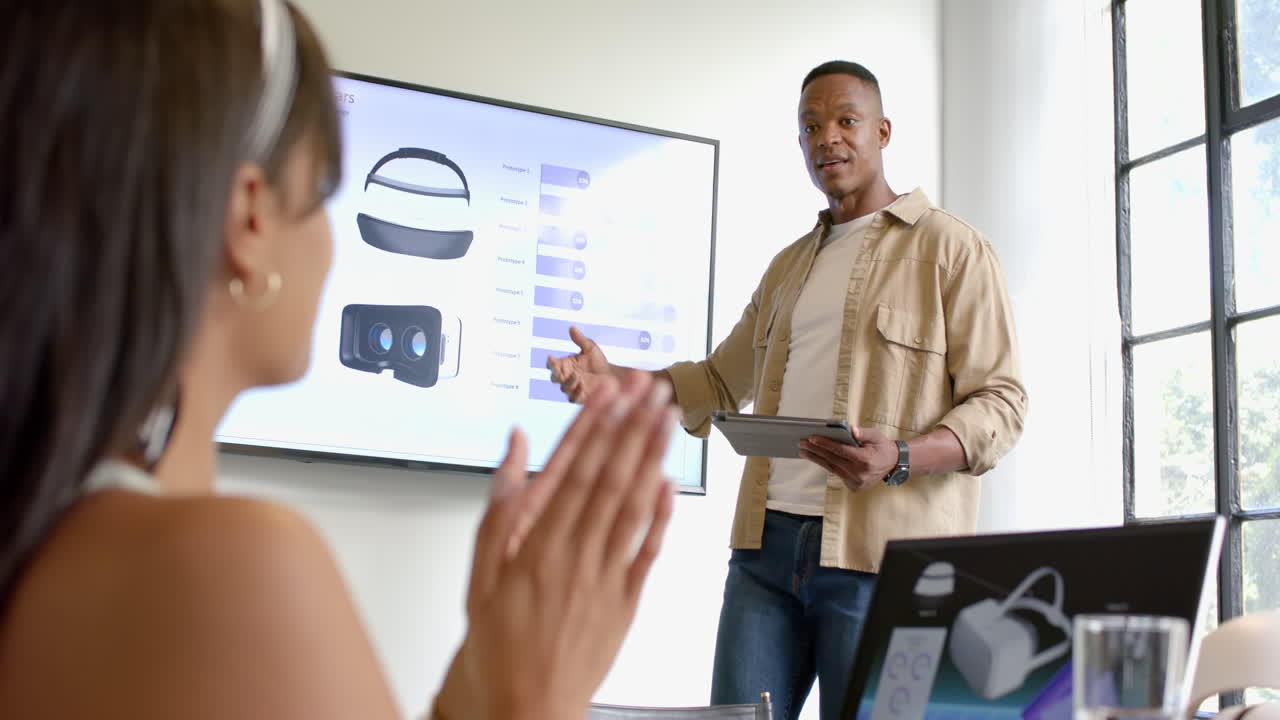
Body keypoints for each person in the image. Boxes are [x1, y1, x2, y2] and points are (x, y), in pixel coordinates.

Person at [0, 2, 676, 719]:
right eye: (324, 194)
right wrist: (532, 696)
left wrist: (475, 688)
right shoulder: (233, 566)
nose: (331, 241)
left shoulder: (50, 535)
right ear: (251, 219)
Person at [547, 60, 1028, 720]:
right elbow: (719, 381)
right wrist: (616, 380)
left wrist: (900, 458)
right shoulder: (789, 266)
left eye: (846, 121)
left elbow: (1002, 403)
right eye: (810, 126)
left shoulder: (953, 250)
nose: (827, 137)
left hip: (881, 561)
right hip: (766, 554)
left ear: (883, 131)